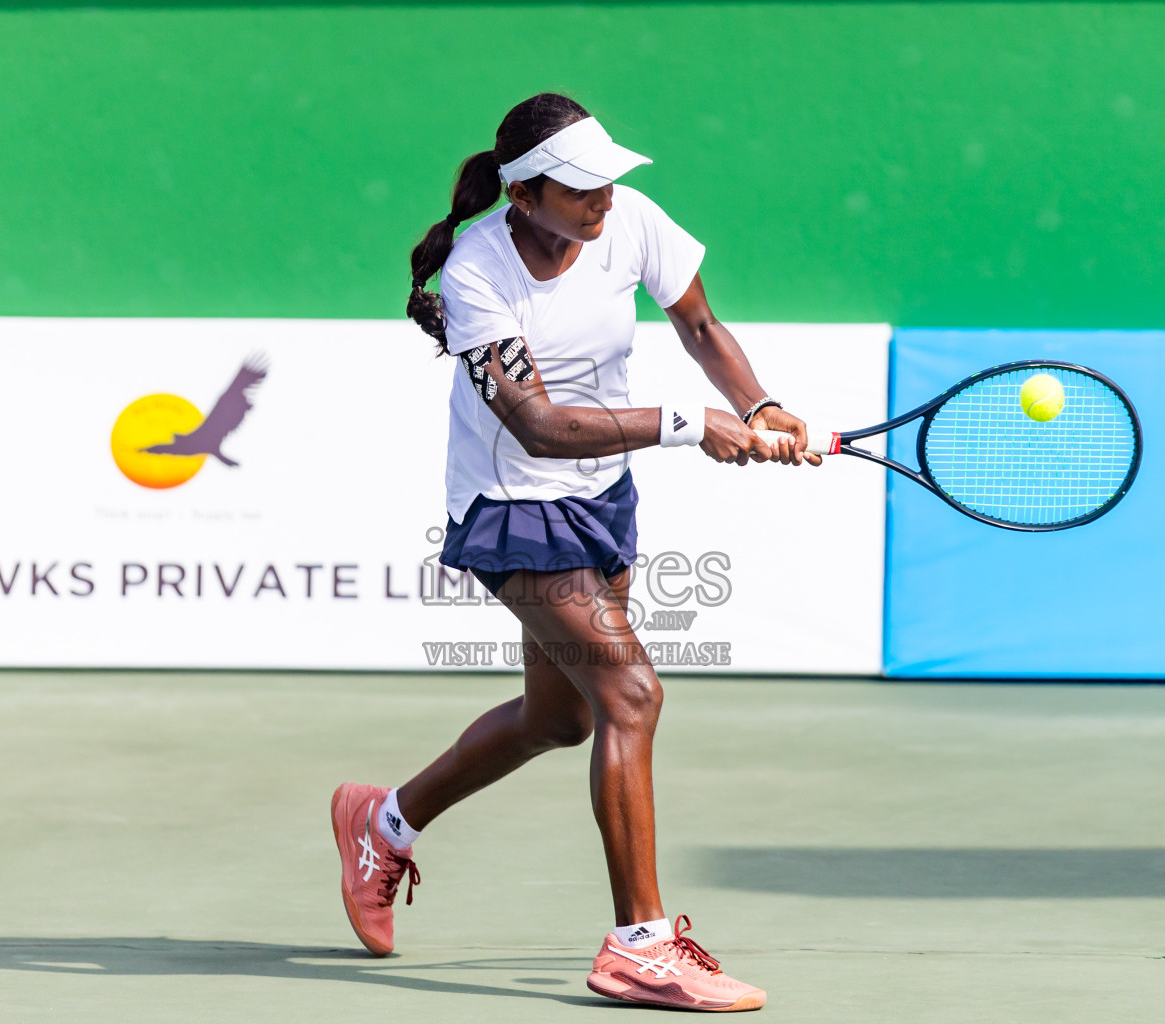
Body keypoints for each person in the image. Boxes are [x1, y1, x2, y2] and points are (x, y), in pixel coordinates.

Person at [332, 92, 819, 1013]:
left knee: (561, 720)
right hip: (514, 504)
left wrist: (757, 406)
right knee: (632, 692)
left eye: (608, 180)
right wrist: (688, 424)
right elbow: (539, 425)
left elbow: (701, 326)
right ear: (525, 195)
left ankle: (382, 820)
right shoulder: (480, 275)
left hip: (600, 498)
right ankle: (641, 945)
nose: (603, 199)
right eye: (581, 186)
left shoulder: (628, 221)